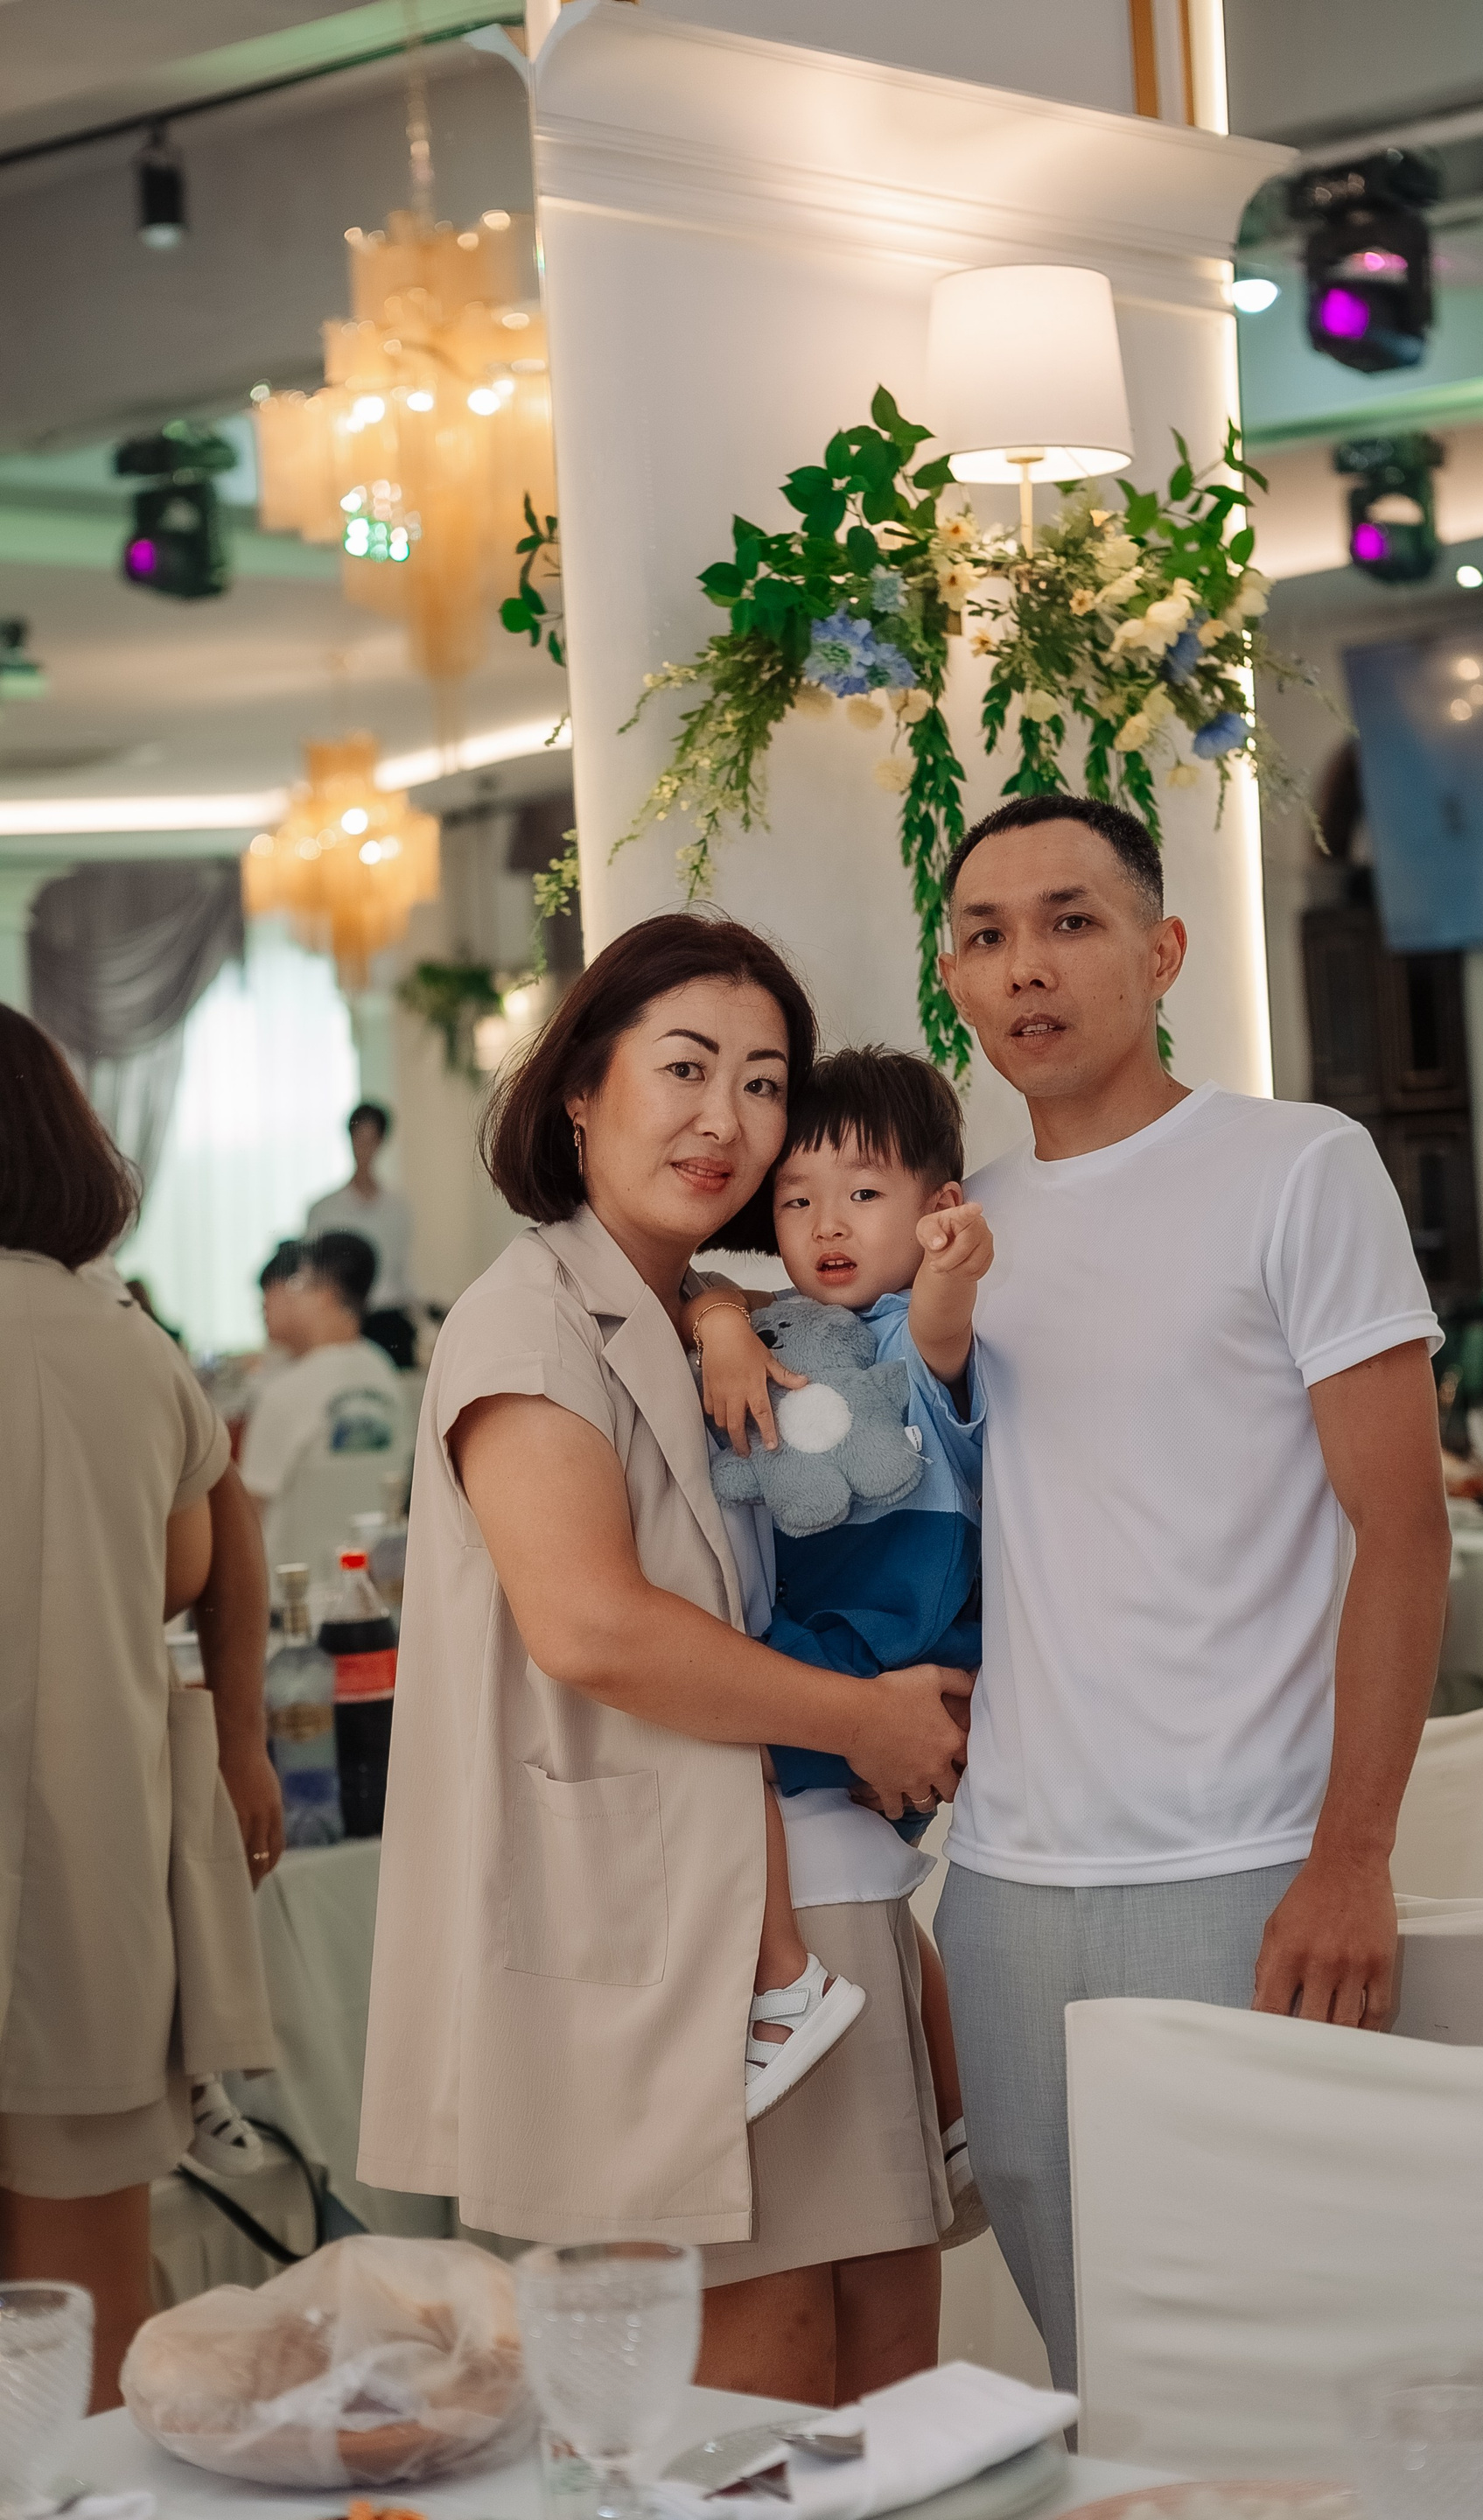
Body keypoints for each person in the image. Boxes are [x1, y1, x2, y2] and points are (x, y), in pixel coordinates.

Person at [359, 914, 973, 2406]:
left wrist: (714, 1301)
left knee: (888, 2372)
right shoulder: (529, 1323)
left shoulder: (719, 1310)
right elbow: (594, 1626)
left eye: (763, 1084)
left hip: (793, 1892)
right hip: (670, 1935)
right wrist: (864, 1720)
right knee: (764, 2399)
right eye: (686, 1069)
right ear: (581, 1088)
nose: (728, 1119)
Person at [930, 793, 1453, 2392]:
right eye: (986, 935)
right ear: (954, 981)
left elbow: (1404, 1530)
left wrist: (1352, 1856)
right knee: (1091, 2366)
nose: (1028, 965)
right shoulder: (957, 1238)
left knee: (1277, 2362)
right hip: (1005, 1883)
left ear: (1163, 953)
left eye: (1071, 922)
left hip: (1245, 1862)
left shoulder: (1298, 1168)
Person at [0, 1009, 283, 2409]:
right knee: (90, 2316)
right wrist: (239, 1745)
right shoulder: (128, 1343)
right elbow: (206, 1563)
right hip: (85, 1870)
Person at [676, 1047, 993, 2239]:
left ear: (936, 1205)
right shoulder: (799, 1329)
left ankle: (788, 1984)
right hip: (830, 1635)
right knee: (874, 1890)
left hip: (889, 1639)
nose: (828, 1224)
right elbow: (701, 1287)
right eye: (798, 1199)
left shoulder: (912, 1333)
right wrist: (720, 1318)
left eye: (864, 1193)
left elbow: (947, 1333)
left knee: (719, 1751)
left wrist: (955, 1268)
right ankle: (956, 2113)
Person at [240, 1231, 402, 1529]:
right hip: (373, 1554)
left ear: (324, 1296)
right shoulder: (385, 1374)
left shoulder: (287, 1392)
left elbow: (248, 1515)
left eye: (297, 1284)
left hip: (291, 1557)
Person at [305, 1102, 416, 1368]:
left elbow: (403, 1272)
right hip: (343, 1320)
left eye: (371, 1140)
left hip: (389, 1320)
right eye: (359, 1139)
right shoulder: (324, 1210)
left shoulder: (398, 1208)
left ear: (381, 1143)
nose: (364, 1149)